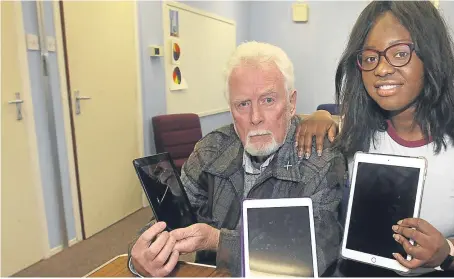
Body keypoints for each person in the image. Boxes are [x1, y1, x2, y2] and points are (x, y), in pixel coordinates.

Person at [295, 1, 454, 277]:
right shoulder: (358, 128)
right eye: (370, 57)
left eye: (400, 53)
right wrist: (320, 115)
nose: (381, 69)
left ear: (432, 55)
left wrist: (446, 251)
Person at [128, 41, 345, 277]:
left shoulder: (322, 158)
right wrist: (142, 254)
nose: (255, 117)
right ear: (231, 111)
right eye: (243, 104)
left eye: (268, 100)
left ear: (291, 103)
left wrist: (218, 241)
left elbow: (313, 255)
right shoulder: (211, 150)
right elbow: (170, 220)